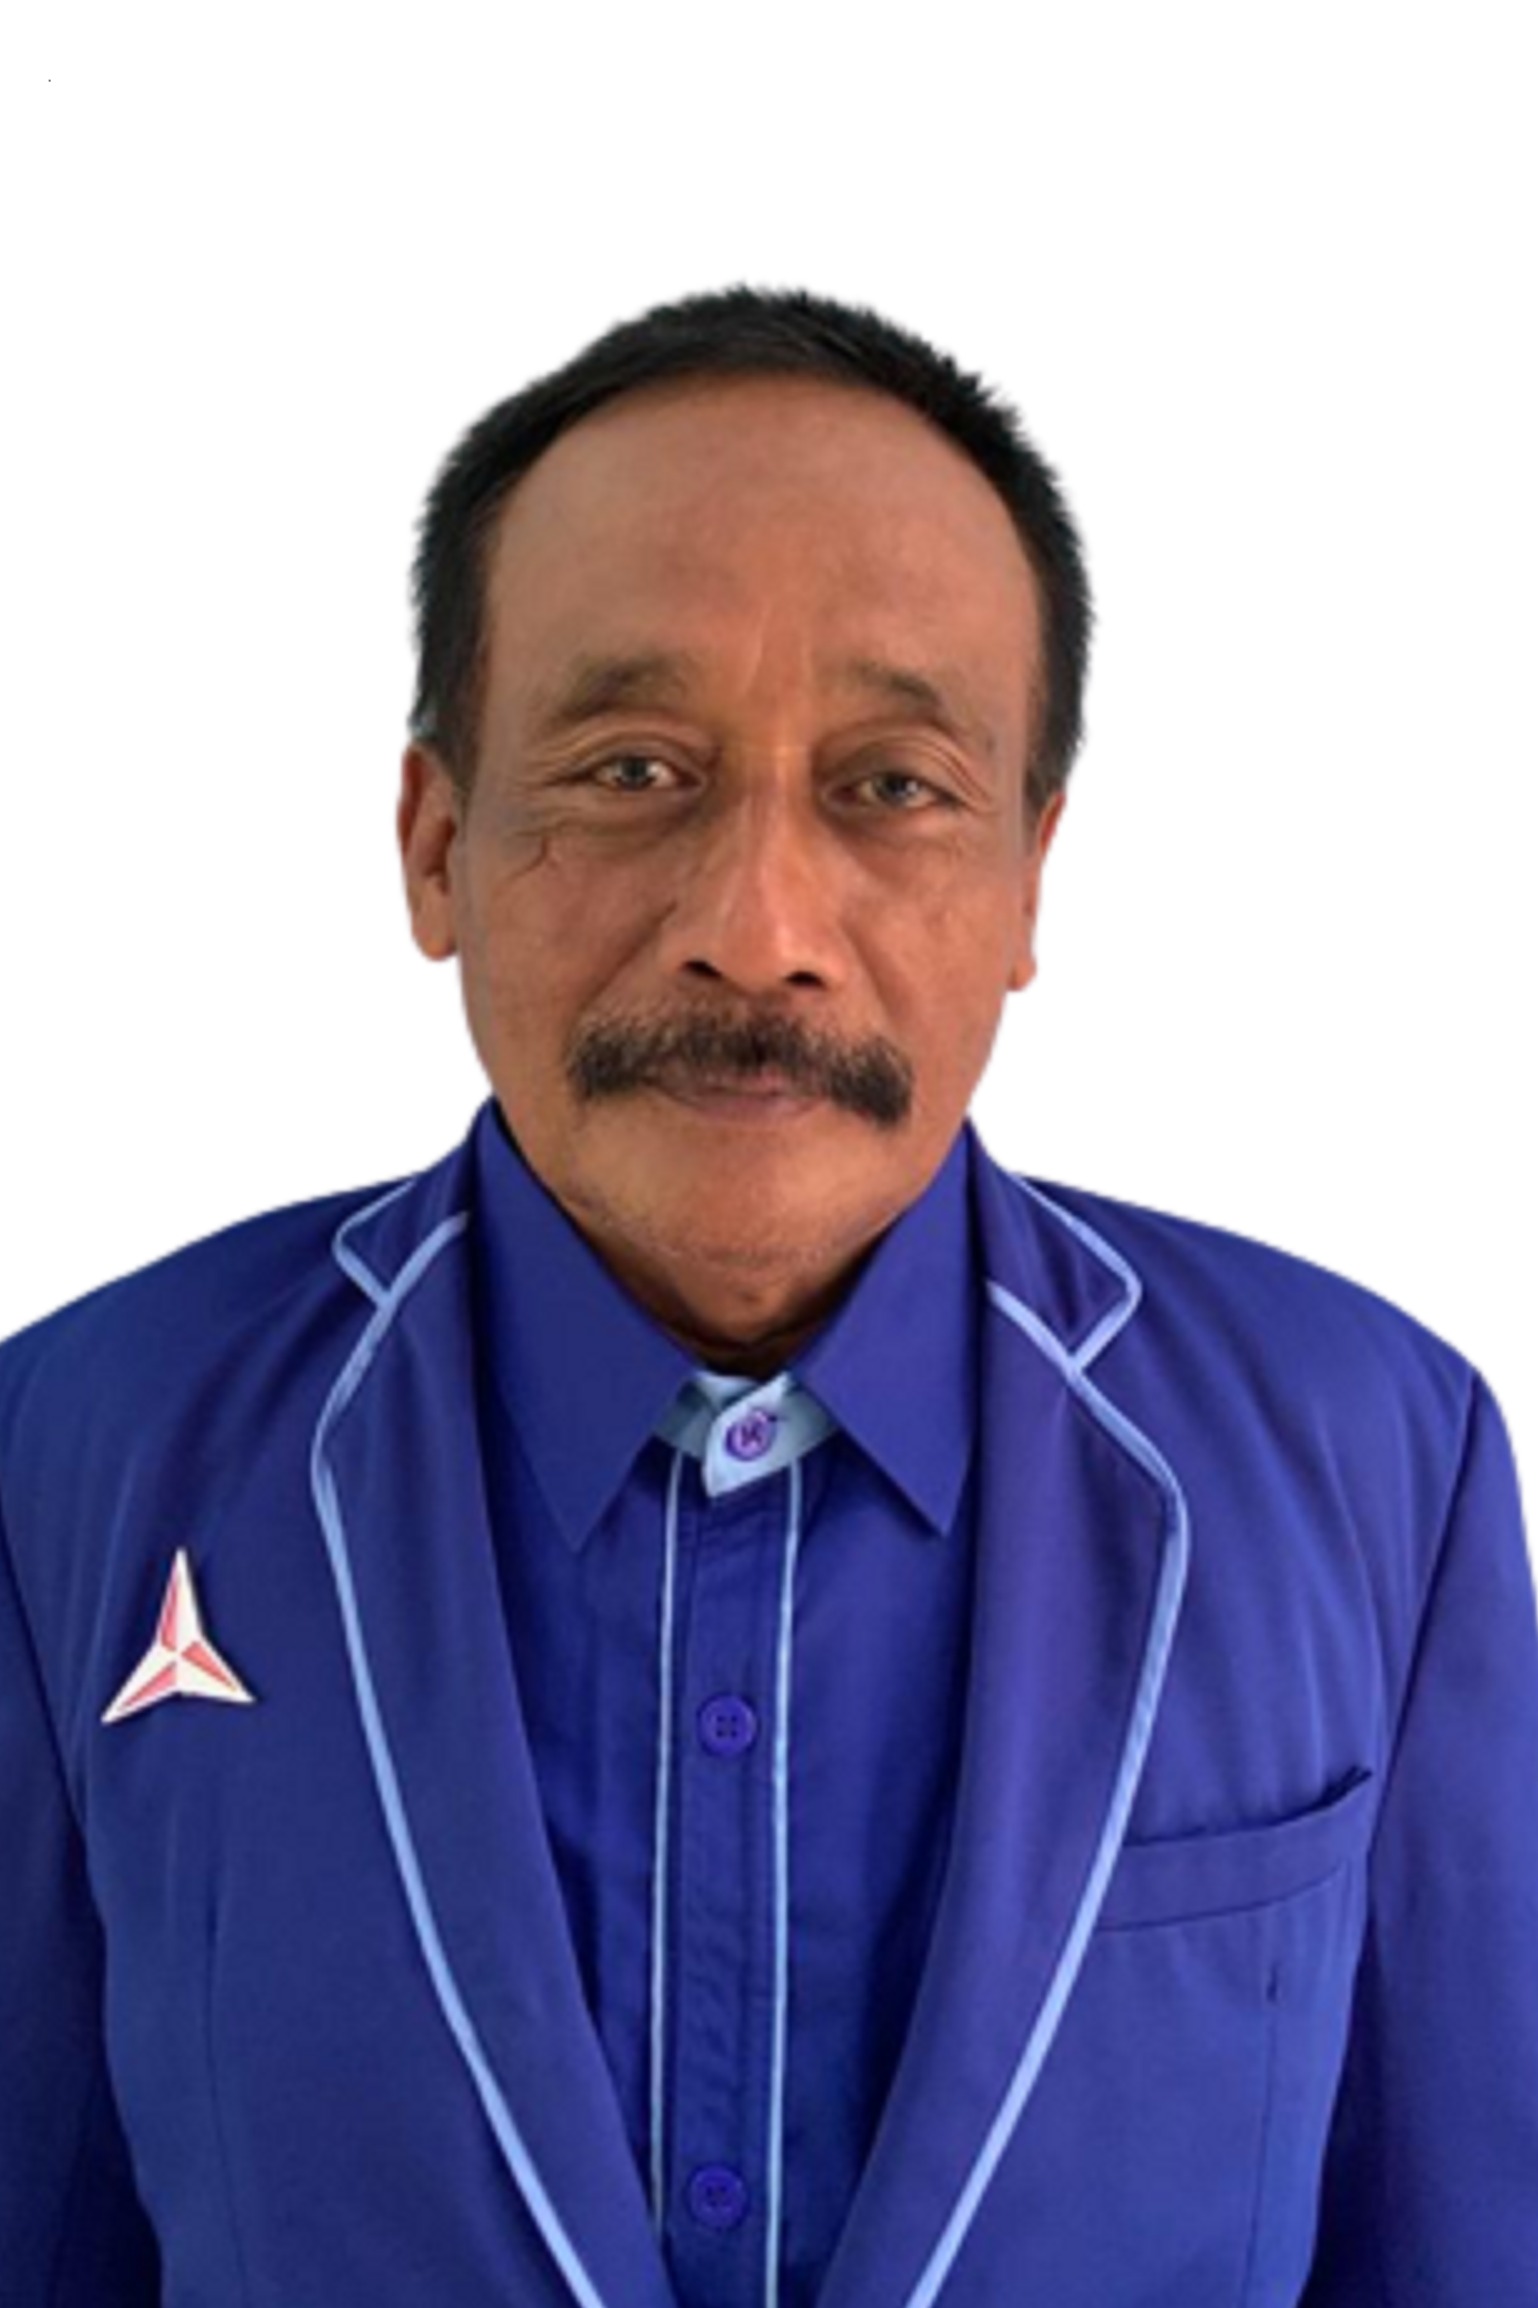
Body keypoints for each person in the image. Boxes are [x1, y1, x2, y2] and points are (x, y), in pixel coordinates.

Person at [2, 284, 1534, 2308]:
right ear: (438, 843)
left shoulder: (1373, 1458)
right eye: (633, 765)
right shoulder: (79, 1449)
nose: (756, 928)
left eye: (891, 786)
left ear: (1027, 875)